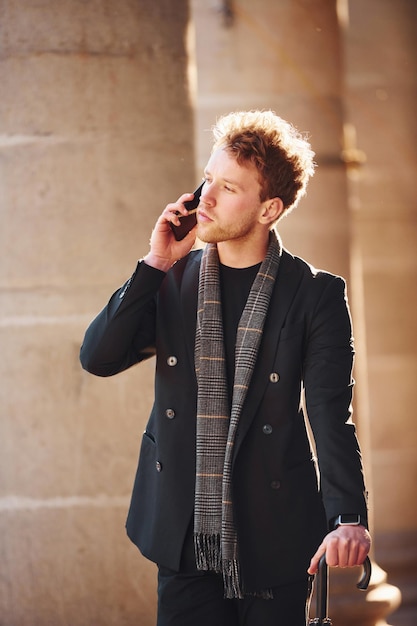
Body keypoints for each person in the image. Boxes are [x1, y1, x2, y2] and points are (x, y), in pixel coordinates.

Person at [80, 110, 371, 626]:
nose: (206, 199)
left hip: (276, 535)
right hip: (181, 531)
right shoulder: (171, 280)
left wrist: (347, 518)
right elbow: (99, 358)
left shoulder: (314, 294)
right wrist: (154, 264)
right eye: (207, 180)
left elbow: (329, 414)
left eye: (229, 188)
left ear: (268, 209)